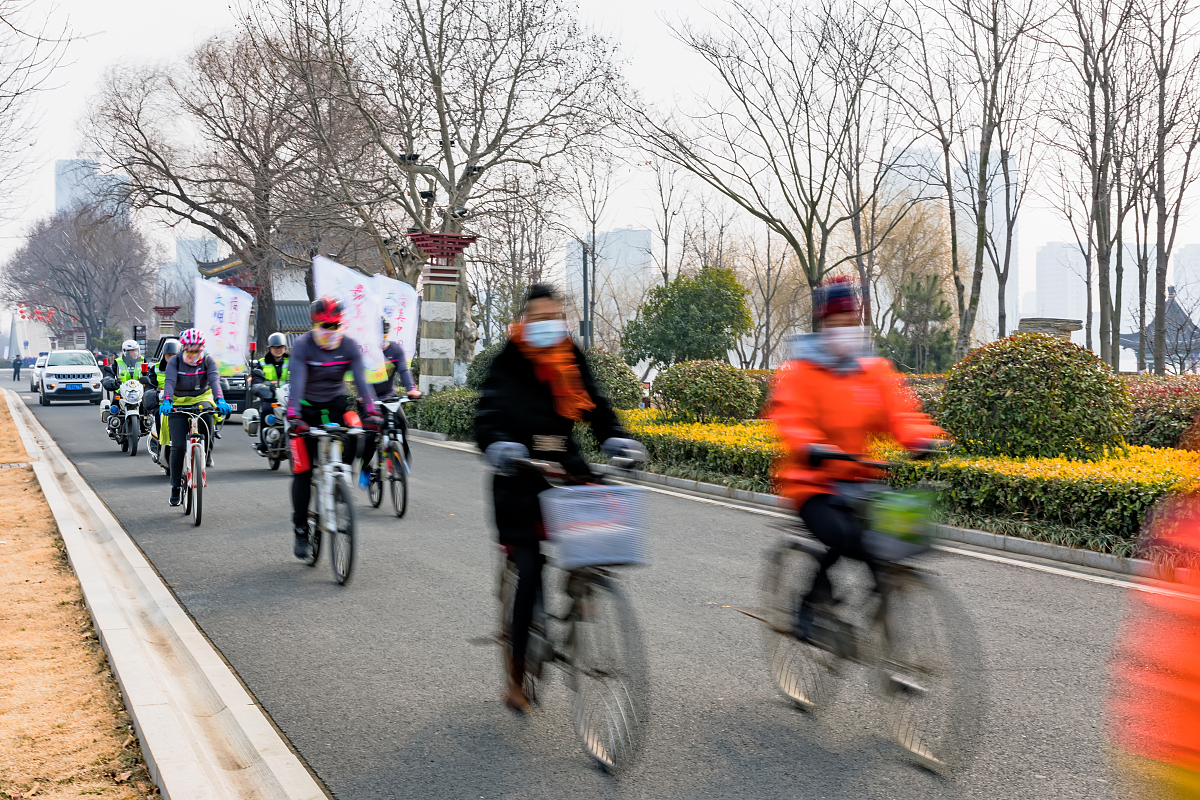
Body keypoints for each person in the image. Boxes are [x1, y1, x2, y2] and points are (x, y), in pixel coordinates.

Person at [475, 283, 645, 713]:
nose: (548, 325)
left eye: (554, 317)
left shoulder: (572, 357)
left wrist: (617, 440)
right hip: (519, 476)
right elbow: (489, 417)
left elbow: (598, 410)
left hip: (565, 468)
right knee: (529, 567)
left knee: (597, 537)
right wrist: (499, 445)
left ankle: (585, 590)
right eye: (538, 318)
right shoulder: (506, 364)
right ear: (524, 321)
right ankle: (516, 675)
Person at [766, 276, 942, 641]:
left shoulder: (873, 371)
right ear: (823, 325)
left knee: (889, 545)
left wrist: (919, 439)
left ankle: (890, 653)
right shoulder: (800, 373)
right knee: (847, 538)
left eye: (851, 322)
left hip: (861, 479)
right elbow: (790, 418)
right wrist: (812, 445)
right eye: (836, 323)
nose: (844, 329)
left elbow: (898, 413)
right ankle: (807, 607)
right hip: (812, 485)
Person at [286, 297, 381, 559]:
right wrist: (294, 416)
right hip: (305, 411)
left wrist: (372, 412)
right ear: (314, 323)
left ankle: (339, 483)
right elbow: (296, 383)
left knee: (359, 432)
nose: (329, 329)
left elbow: (362, 382)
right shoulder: (304, 345)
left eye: (335, 324)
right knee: (303, 472)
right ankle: (301, 529)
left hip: (337, 407)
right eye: (324, 325)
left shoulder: (349, 345)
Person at [159, 329, 231, 505]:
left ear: (202, 347)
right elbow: (169, 382)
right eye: (190, 346)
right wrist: (167, 400)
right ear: (183, 346)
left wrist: (220, 399)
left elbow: (214, 381)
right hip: (178, 400)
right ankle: (175, 486)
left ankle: (206, 454)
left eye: (197, 346)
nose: (193, 350)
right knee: (177, 446)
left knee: (209, 419)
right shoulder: (175, 361)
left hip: (201, 398)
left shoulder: (208, 361)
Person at [358, 319, 421, 487]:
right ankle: (365, 468)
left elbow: (404, 370)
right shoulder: (365, 352)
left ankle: (400, 459)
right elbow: (361, 378)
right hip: (368, 397)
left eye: (384, 333)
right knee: (371, 435)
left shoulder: (394, 349)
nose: (382, 337)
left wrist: (411, 389)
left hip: (388, 396)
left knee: (401, 422)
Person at [251, 332, 290, 454]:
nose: (278, 350)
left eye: (281, 347)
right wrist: (263, 389)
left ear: (285, 348)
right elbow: (256, 381)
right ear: (270, 348)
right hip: (271, 398)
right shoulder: (262, 363)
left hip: (289, 398)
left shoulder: (292, 362)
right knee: (266, 410)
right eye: (275, 347)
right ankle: (263, 443)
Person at [146, 340, 181, 460]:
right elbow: (149, 386)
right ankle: (161, 443)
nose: (171, 358)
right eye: (168, 355)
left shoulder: (186, 367)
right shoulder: (155, 369)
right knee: (158, 412)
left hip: (182, 402)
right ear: (164, 355)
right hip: (162, 403)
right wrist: (154, 394)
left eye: (174, 355)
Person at [109, 340, 146, 417]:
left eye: (136, 350)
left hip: (138, 391)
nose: (135, 353)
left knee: (145, 406)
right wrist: (109, 380)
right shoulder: (118, 362)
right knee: (114, 405)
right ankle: (114, 423)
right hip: (121, 391)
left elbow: (147, 374)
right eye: (132, 351)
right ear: (125, 352)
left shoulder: (143, 361)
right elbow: (111, 374)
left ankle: (146, 424)